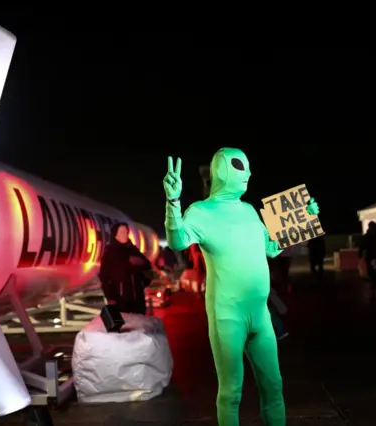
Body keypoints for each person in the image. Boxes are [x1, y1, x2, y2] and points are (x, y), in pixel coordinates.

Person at [163, 149, 319, 425]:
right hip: (227, 316)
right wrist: (173, 203)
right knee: (231, 393)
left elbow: (271, 248)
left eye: (247, 166)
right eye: (239, 166)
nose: (247, 173)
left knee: (274, 387)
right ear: (221, 170)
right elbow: (177, 242)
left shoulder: (249, 210)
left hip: (261, 316)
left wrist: (302, 220)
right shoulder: (200, 212)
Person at [99, 223, 152, 315]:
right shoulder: (110, 253)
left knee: (138, 325)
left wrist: (140, 262)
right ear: (115, 235)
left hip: (137, 299)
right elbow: (104, 277)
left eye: (127, 232)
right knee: (121, 326)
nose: (126, 234)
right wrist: (110, 297)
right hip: (119, 299)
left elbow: (147, 266)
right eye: (123, 232)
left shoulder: (133, 250)